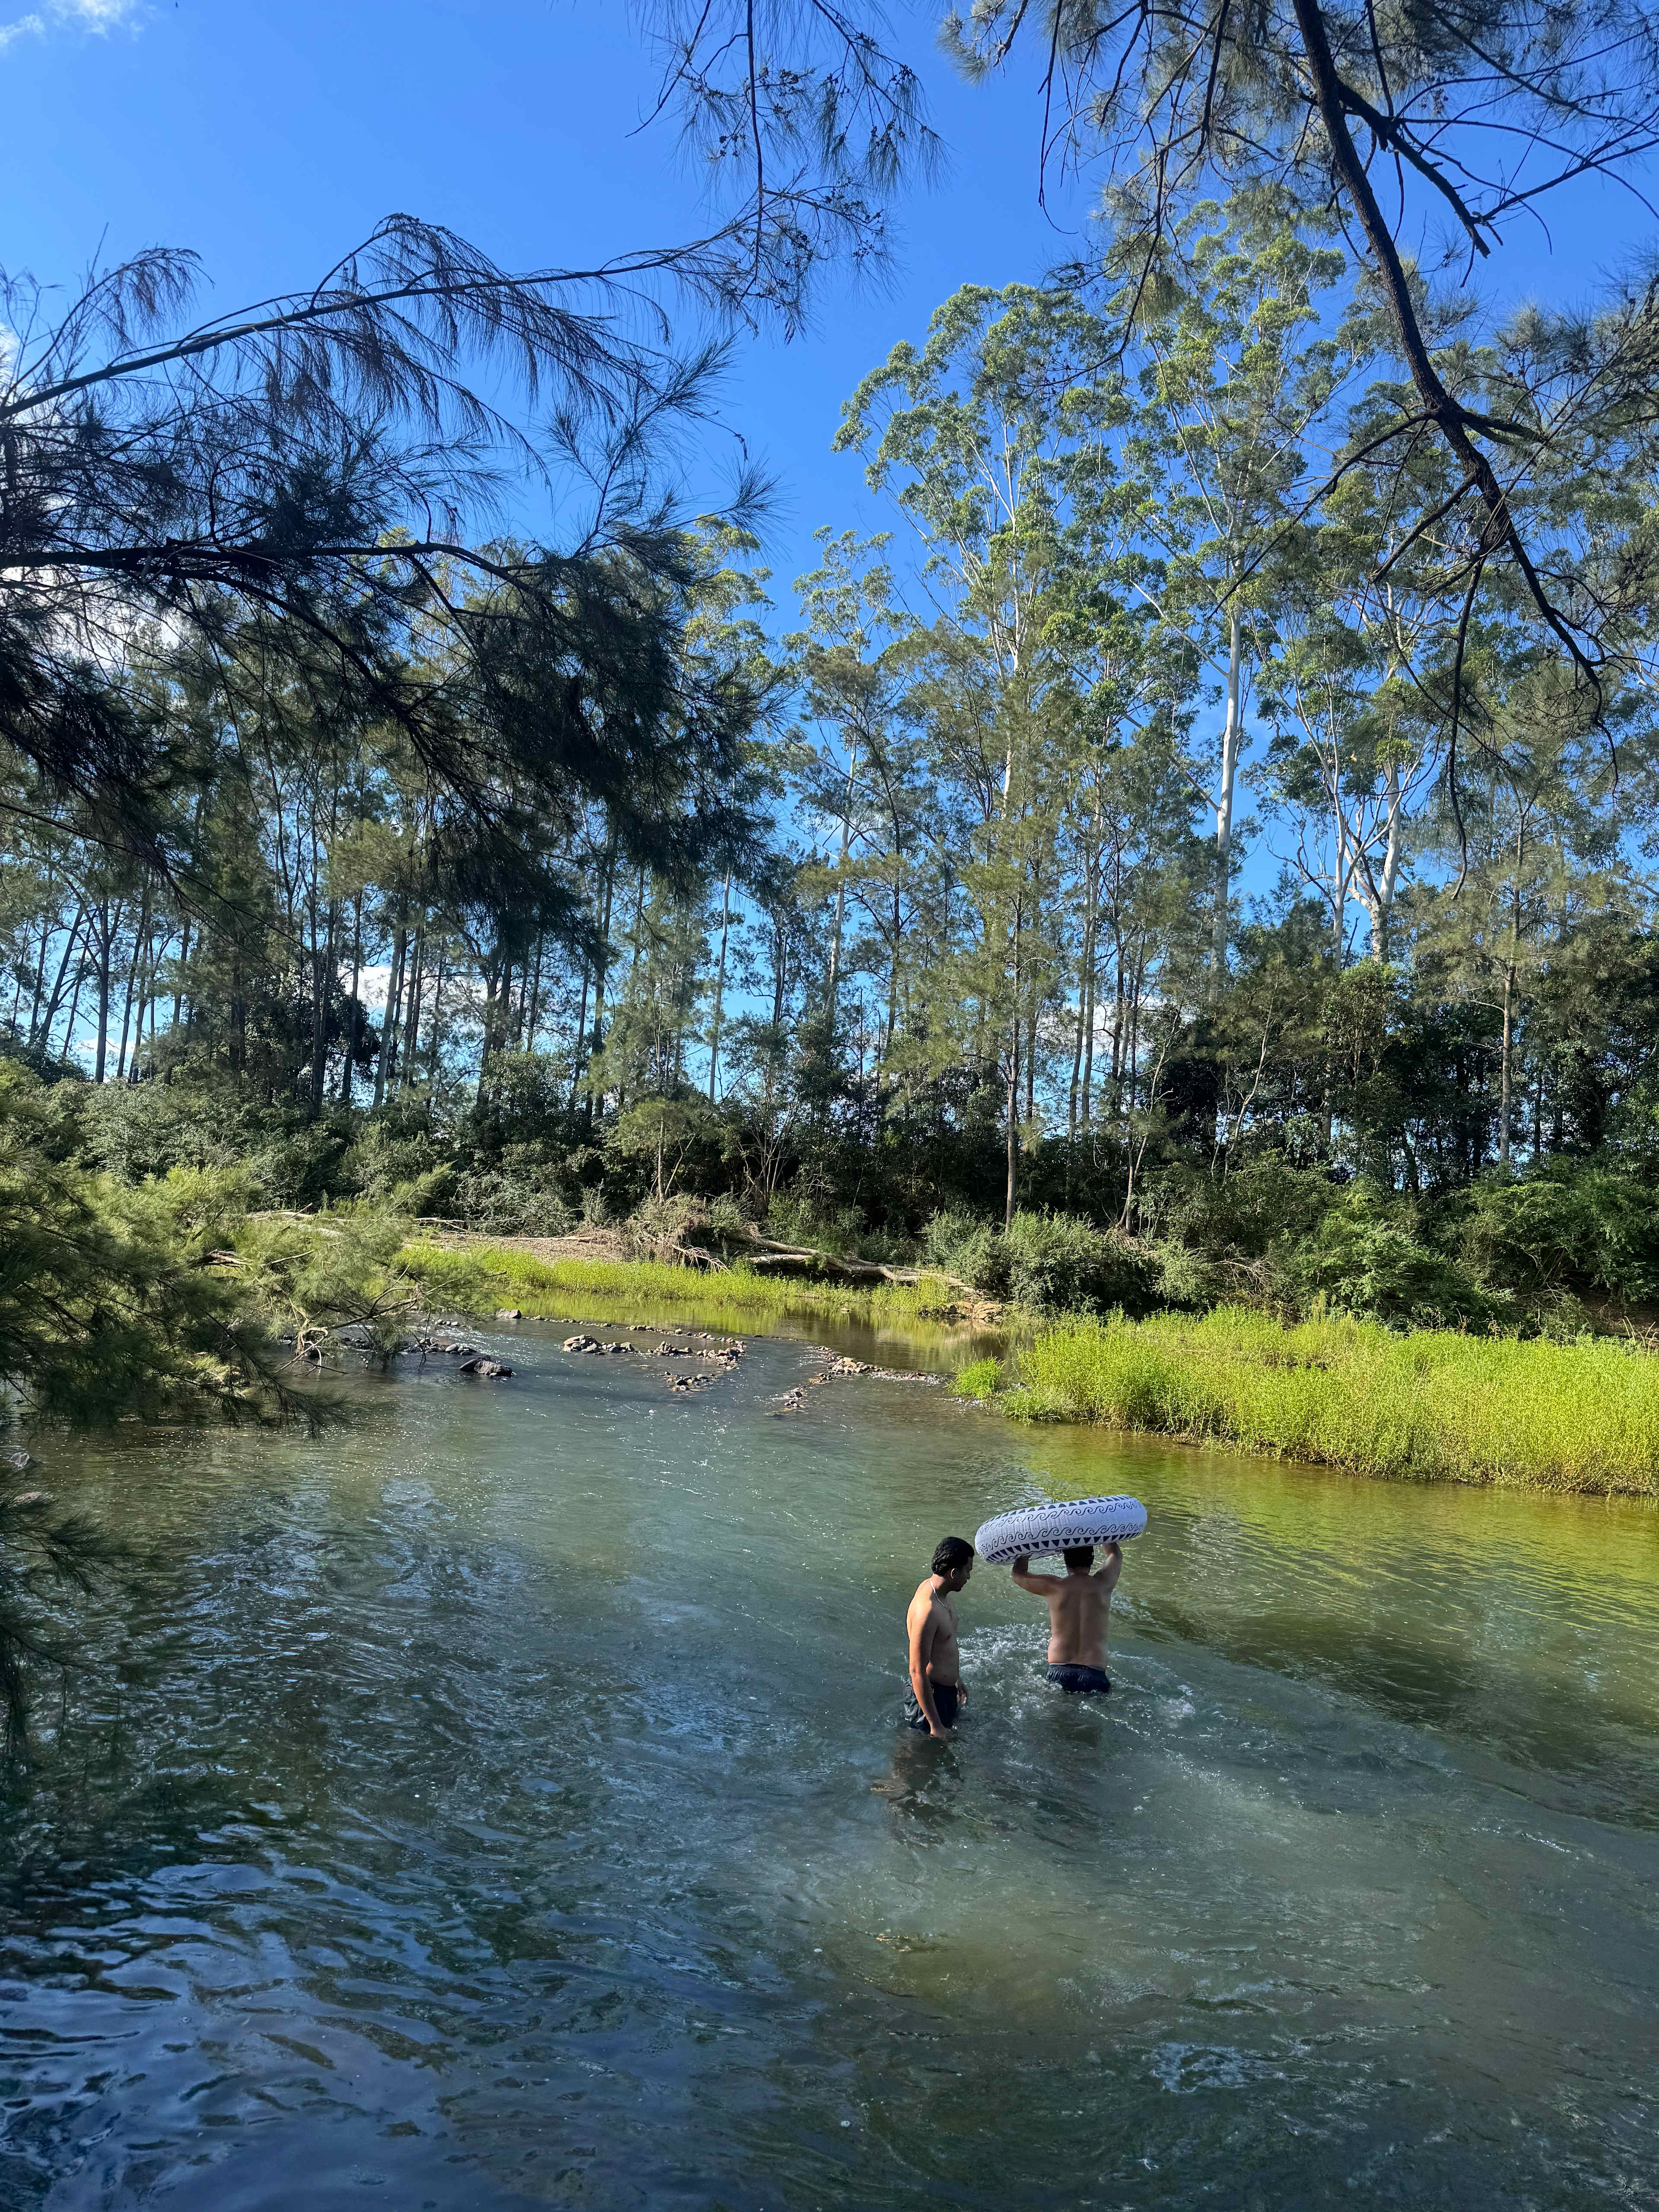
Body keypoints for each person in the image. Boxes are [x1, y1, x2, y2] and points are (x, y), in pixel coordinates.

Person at [1011, 1542, 1122, 1694]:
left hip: (1059, 1669)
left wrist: (1027, 1548)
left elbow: (1018, 1575)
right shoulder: (1103, 1585)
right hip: (1094, 1672)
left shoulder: (1054, 1587)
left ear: (1065, 1560)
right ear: (1091, 1559)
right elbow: (1115, 1555)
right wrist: (1104, 1533)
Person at [904, 1536, 974, 1735]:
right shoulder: (927, 1610)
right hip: (928, 1702)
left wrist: (956, 1679)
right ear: (953, 1573)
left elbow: (943, 1646)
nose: (968, 1577)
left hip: (946, 1693)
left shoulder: (942, 1595)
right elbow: (917, 1670)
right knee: (923, 1759)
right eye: (967, 1571)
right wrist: (935, 1725)